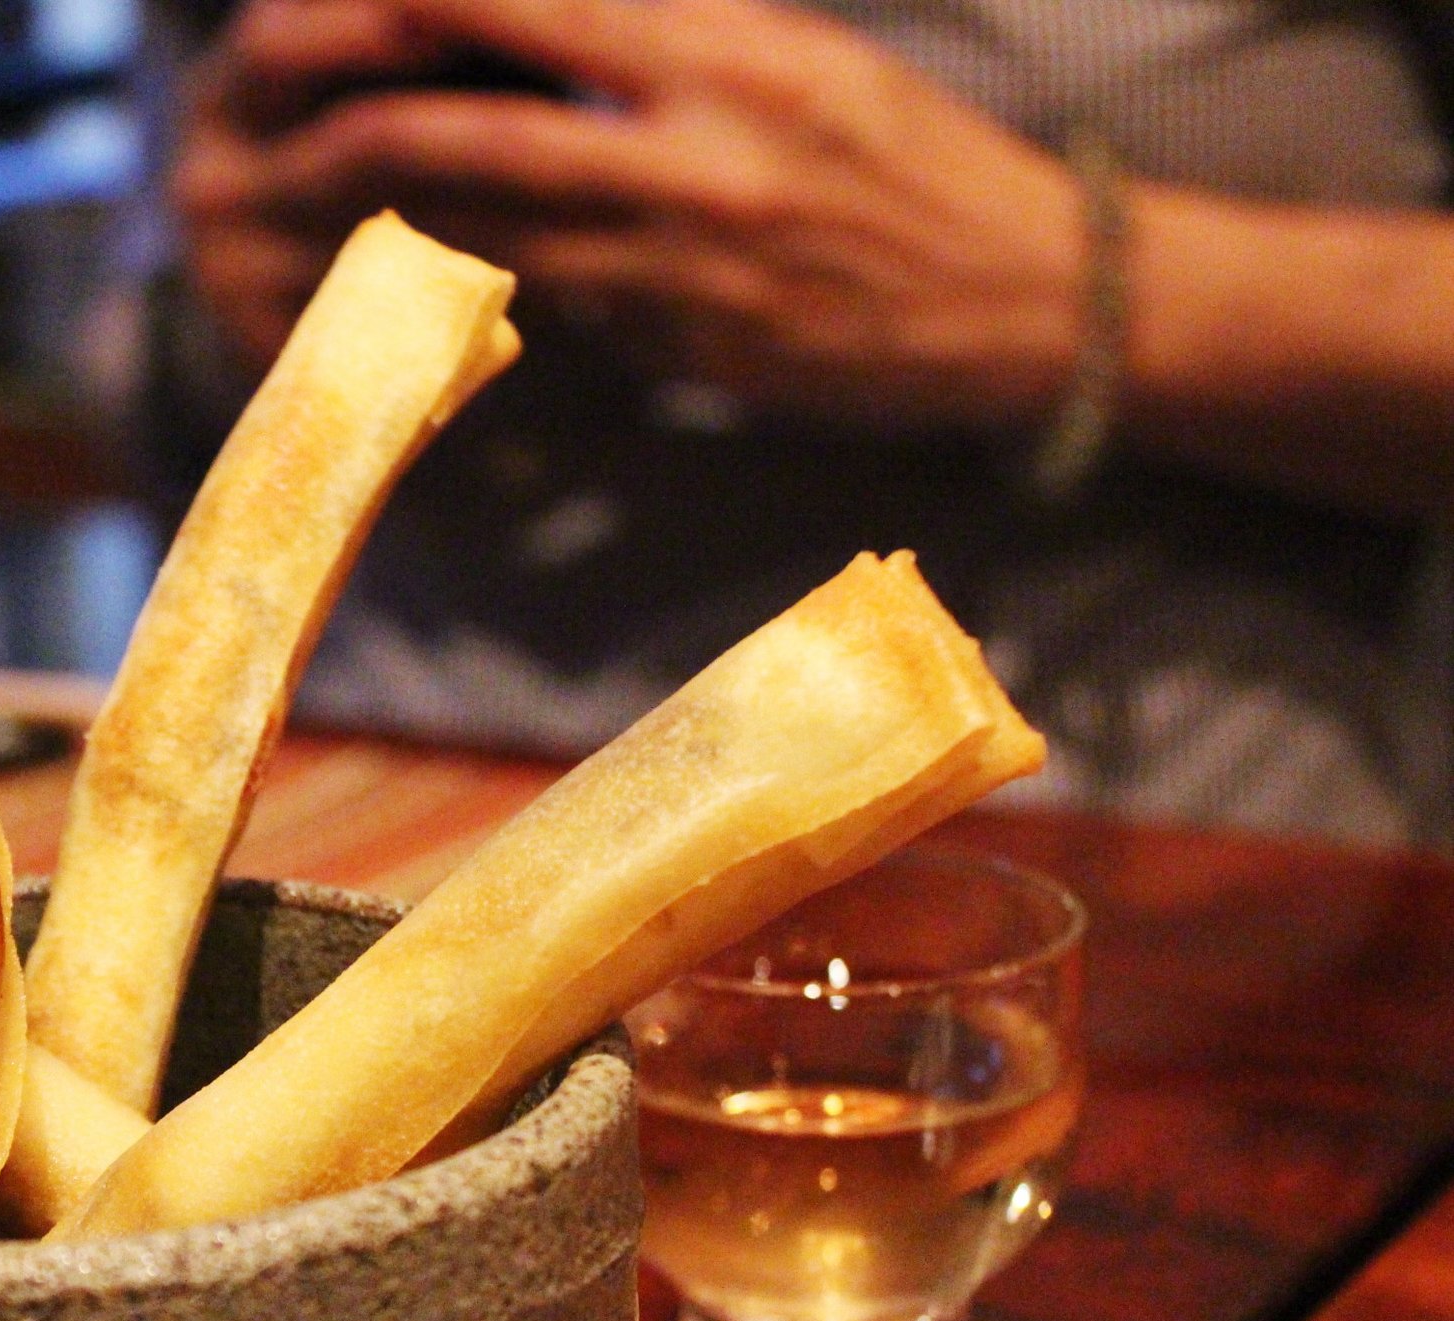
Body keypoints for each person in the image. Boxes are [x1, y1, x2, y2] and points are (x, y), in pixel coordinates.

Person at [149, 0, 1454, 844]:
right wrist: (226, 308)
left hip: (1161, 908)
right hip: (377, 845)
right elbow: (151, 368)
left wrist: (1079, 290)